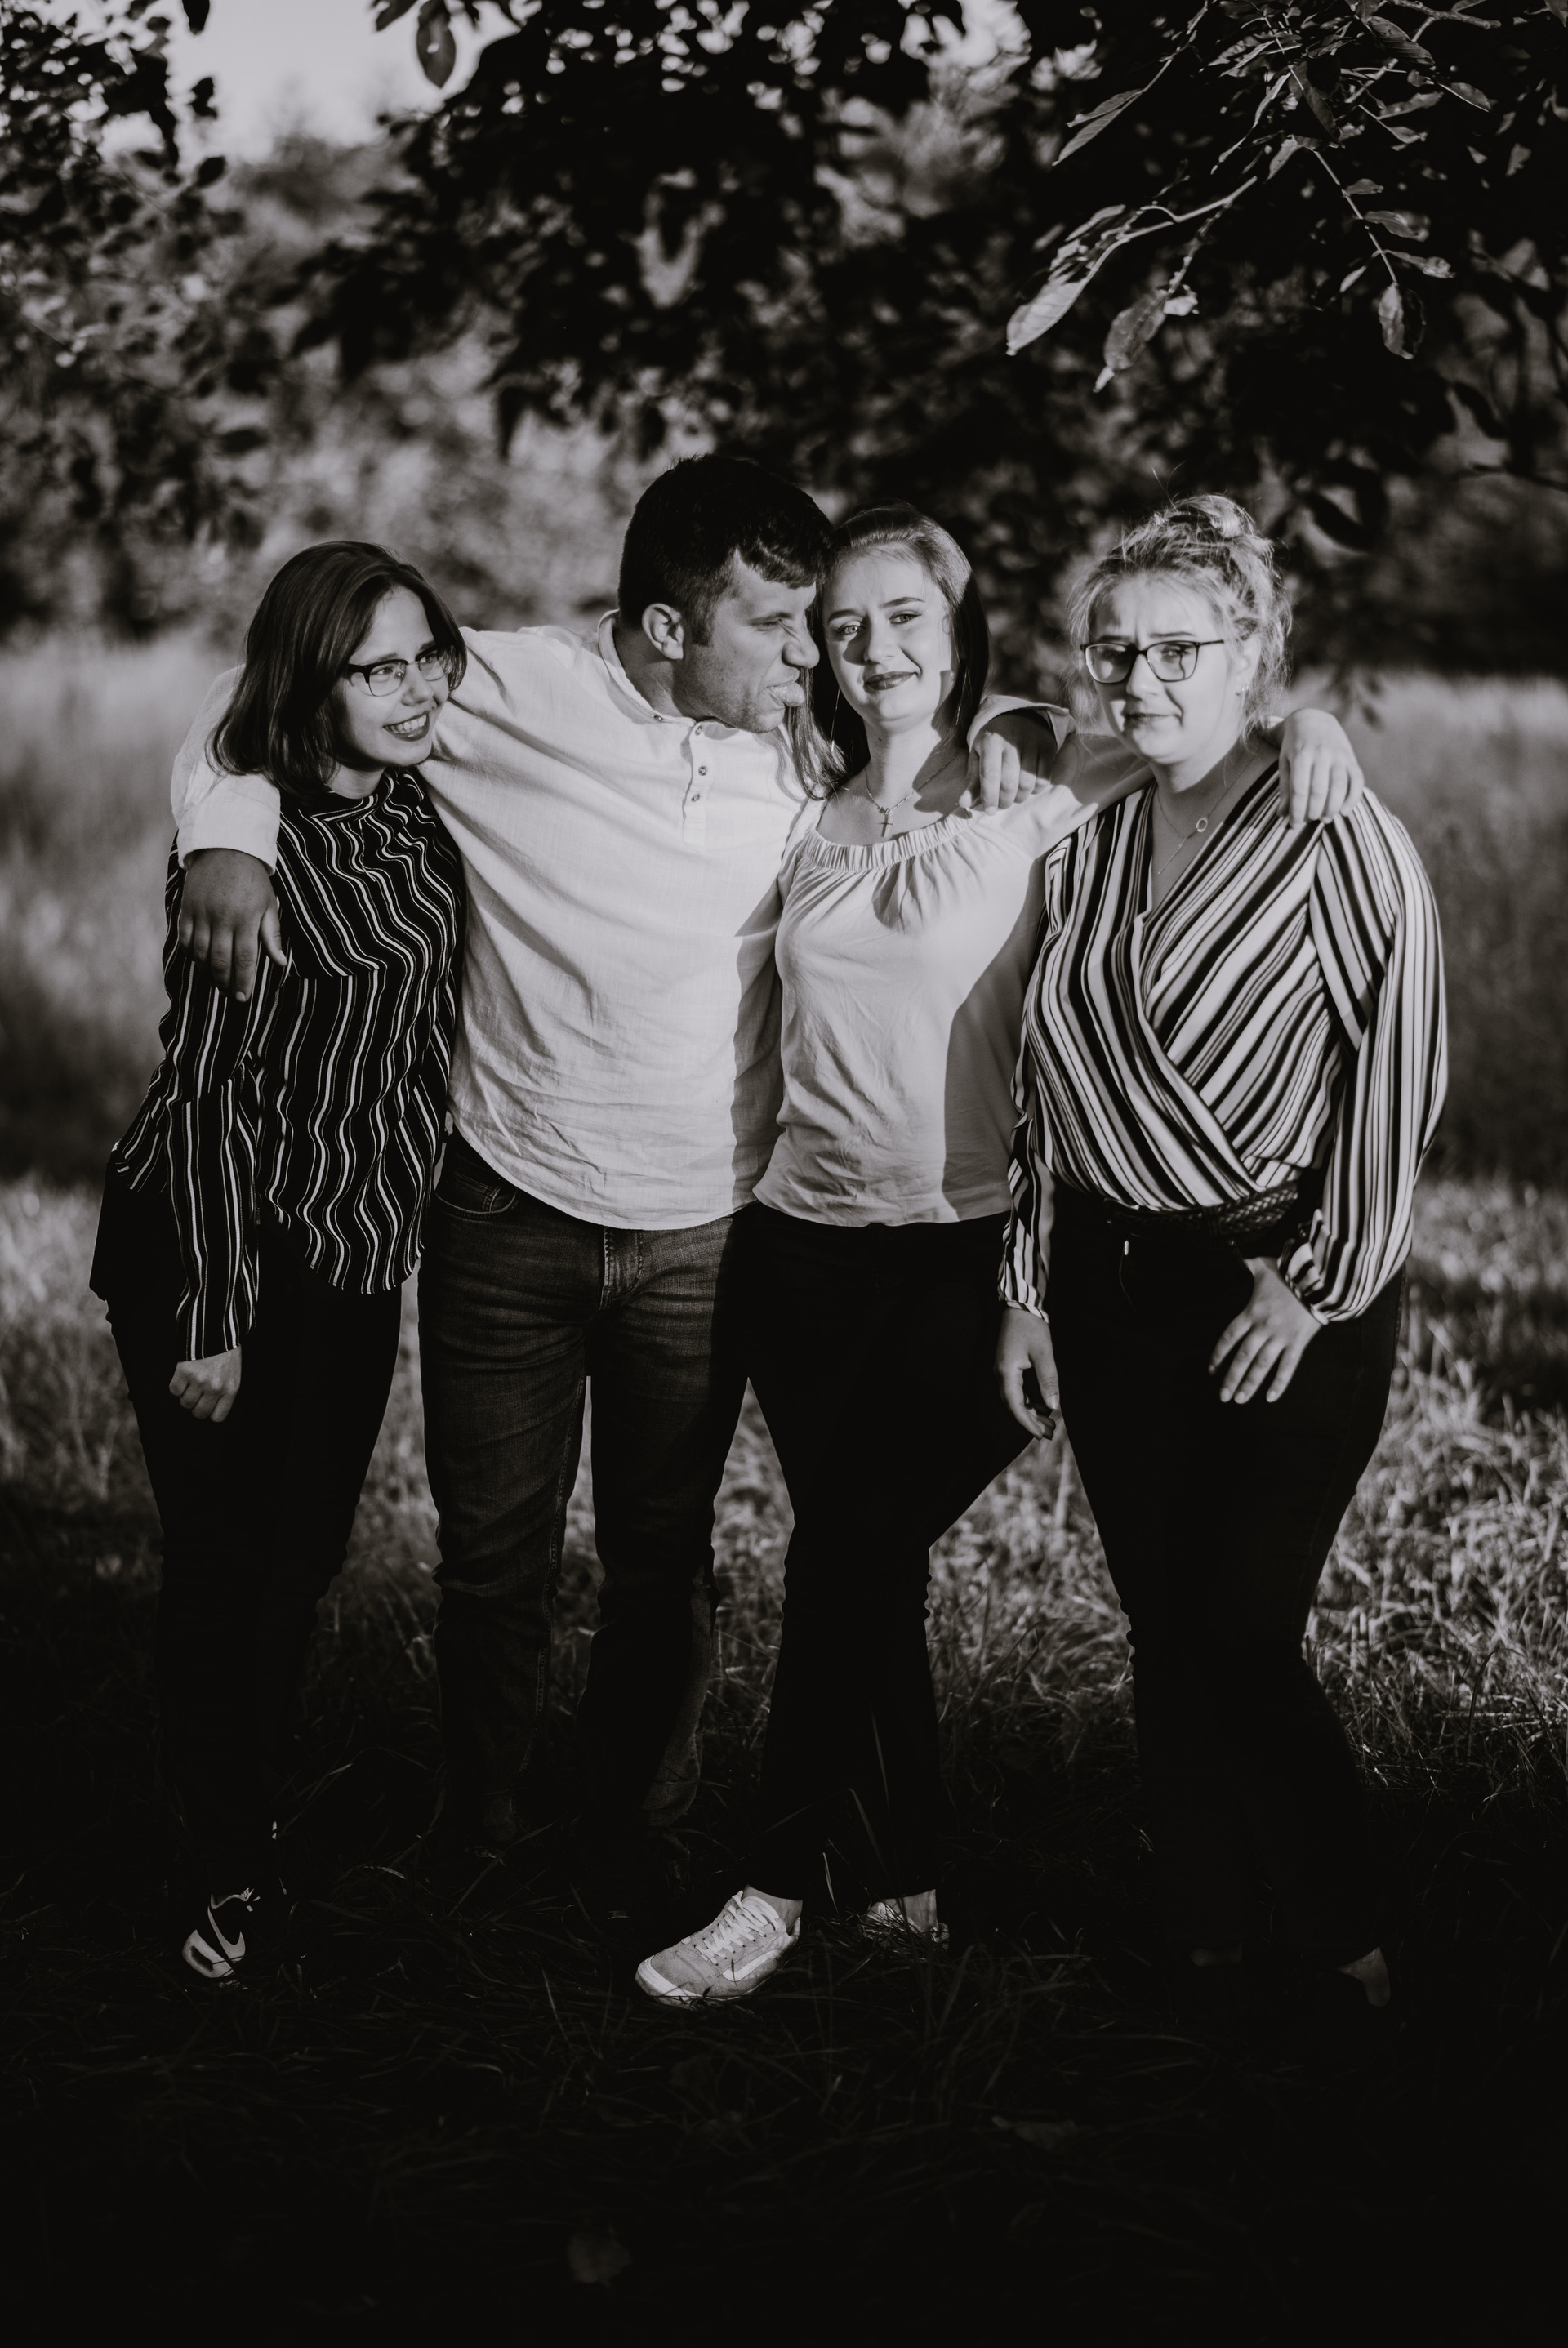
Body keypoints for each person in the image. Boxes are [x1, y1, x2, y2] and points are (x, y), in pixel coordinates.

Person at [164, 459, 1061, 1922]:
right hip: (503, 1208)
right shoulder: (510, 692)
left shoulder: (811, 728)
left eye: (819, 625)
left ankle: (636, 1837)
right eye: (776, 624)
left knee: (663, 1562)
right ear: (662, 627)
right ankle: (478, 1836)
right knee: (491, 1563)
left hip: (707, 1229)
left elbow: (966, 713)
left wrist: (1025, 724)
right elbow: (264, 685)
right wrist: (229, 835)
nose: (812, 656)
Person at [633, 503, 1366, 2007]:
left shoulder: (1042, 779)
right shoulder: (804, 796)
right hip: (800, 1248)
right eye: (843, 626)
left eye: (906, 616)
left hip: (968, 1254)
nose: (873, 648)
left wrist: (1314, 725)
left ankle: (775, 1885)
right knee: (865, 1556)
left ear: (962, 630)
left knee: (847, 1542)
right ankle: (900, 1884)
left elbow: (1204, 726)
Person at [995, 496, 1445, 2035]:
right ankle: (1197, 1941)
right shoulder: (1084, 834)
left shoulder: (1338, 830)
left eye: (1180, 650)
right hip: (1110, 1285)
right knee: (1165, 1627)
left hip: (1285, 1287)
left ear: (1253, 654)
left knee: (1242, 1626)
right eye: (1115, 651)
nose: (1143, 680)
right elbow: (1041, 1088)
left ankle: (1341, 1937)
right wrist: (1025, 1288)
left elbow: (1401, 1070)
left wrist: (1315, 1281)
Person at [91, 542, 466, 1980]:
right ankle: (225, 1870)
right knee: (226, 1560)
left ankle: (239, 1807)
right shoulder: (243, 867)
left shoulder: (421, 809)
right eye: (379, 668)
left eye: (428, 657)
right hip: (215, 1249)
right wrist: (212, 1314)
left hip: (354, 1248)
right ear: (314, 681)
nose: (417, 689)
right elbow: (205, 1094)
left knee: (300, 1561)